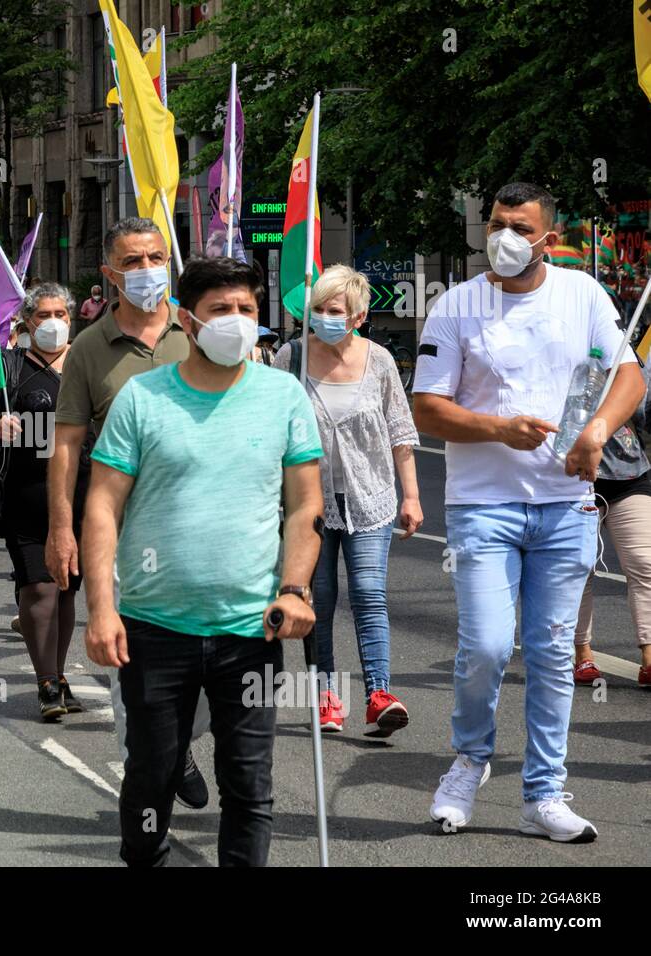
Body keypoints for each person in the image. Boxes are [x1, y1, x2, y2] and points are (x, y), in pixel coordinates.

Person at [413, 182, 646, 842]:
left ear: (549, 236)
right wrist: (496, 429)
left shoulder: (582, 295)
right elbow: (426, 406)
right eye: (495, 223)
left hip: (565, 505)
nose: (504, 237)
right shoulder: (456, 306)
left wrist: (598, 430)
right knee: (486, 644)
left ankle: (543, 793)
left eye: (520, 226)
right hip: (483, 505)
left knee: (549, 652)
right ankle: (468, 760)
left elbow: (628, 374)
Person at [83, 255, 323, 867]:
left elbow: (304, 508)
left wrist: (294, 590)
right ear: (187, 320)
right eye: (221, 310)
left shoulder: (283, 395)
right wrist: (102, 609)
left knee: (251, 785)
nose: (237, 321)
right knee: (151, 778)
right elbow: (103, 508)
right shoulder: (142, 398)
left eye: (247, 309)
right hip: (154, 628)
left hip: (252, 630)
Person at [46, 217, 205, 806]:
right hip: (122, 528)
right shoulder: (88, 348)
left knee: (208, 652)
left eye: (156, 258)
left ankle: (180, 739)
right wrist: (62, 529)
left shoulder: (198, 333)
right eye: (132, 262)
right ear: (109, 274)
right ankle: (148, 770)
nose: (146, 271)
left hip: (203, 525)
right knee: (126, 656)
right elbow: (64, 446)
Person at [274, 264, 422, 736]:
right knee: (315, 598)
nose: (323, 317)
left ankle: (379, 694)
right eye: (317, 309)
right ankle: (325, 695)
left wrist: (412, 496)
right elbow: (271, 425)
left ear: (357, 316)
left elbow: (400, 433)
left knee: (369, 593)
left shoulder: (378, 361)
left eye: (334, 310)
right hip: (308, 506)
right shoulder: (290, 356)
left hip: (370, 498)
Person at [0, 282, 86, 720]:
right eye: (43, 315)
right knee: (39, 587)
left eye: (60, 314)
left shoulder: (85, 364)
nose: (53, 323)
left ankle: (60, 674)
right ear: (27, 322)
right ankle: (45, 681)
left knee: (66, 589)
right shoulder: (8, 369)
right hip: (26, 495)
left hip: (80, 493)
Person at [574, 358, 651, 687]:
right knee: (579, 568)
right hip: (574, 477)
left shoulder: (625, 354)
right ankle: (581, 653)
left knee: (645, 564)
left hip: (629, 473)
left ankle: (649, 657)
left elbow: (645, 412)